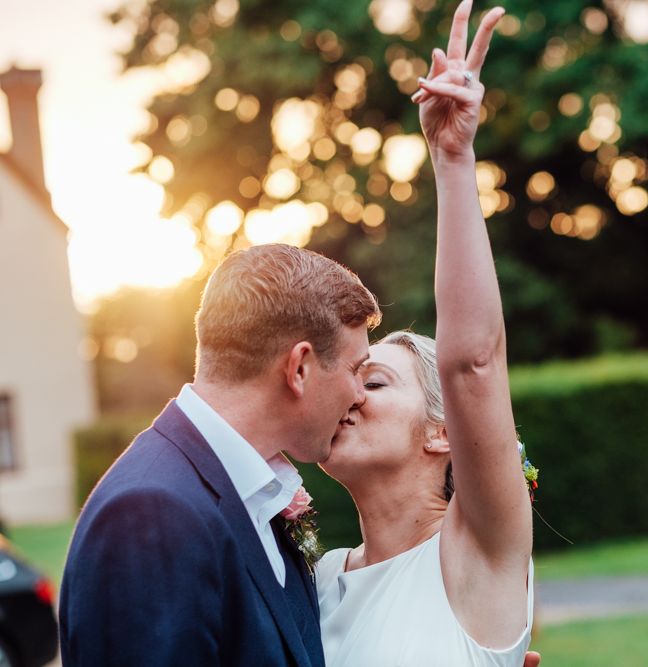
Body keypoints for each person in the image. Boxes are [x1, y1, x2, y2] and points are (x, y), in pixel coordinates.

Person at [315, 3, 537, 666]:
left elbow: (471, 362)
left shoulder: (475, 554)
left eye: (374, 379)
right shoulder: (315, 578)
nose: (345, 393)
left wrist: (452, 159)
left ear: (442, 431)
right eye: (346, 375)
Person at [59, 243, 381, 666]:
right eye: (356, 370)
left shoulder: (258, 498)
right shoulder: (150, 514)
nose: (359, 395)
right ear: (299, 368)